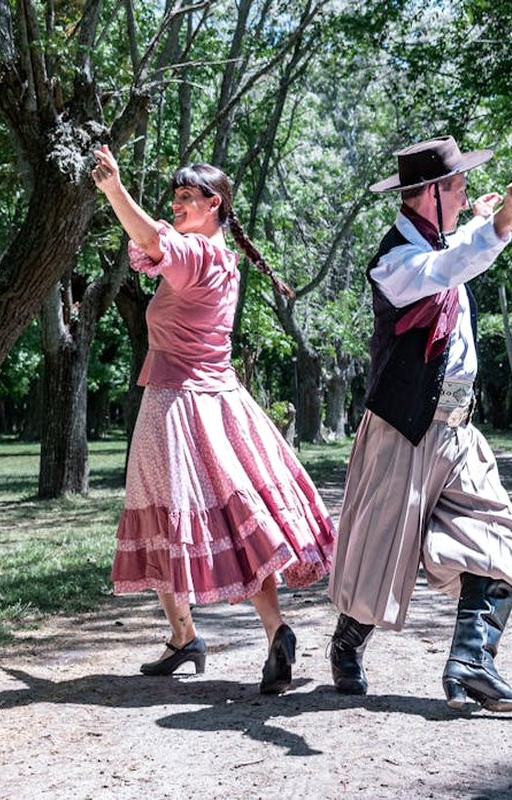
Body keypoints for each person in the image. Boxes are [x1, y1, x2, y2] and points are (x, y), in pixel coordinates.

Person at [91, 145, 335, 694]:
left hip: (176, 403)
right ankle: (262, 631)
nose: (175, 204)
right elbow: (154, 240)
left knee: (160, 515)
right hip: (221, 400)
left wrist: (113, 189)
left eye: (185, 198)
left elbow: (150, 239)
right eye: (173, 197)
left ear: (213, 203)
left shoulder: (197, 257)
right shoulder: (221, 260)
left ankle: (187, 635)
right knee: (228, 518)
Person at [326, 135, 512, 712]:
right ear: (430, 195)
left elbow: (456, 250)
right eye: (458, 185)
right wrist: (501, 220)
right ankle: (348, 644)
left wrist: (484, 221)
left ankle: (472, 662)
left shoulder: (438, 240)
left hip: (457, 428)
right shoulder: (394, 263)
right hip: (404, 426)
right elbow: (446, 267)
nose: (467, 189)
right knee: (379, 552)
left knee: (497, 533)